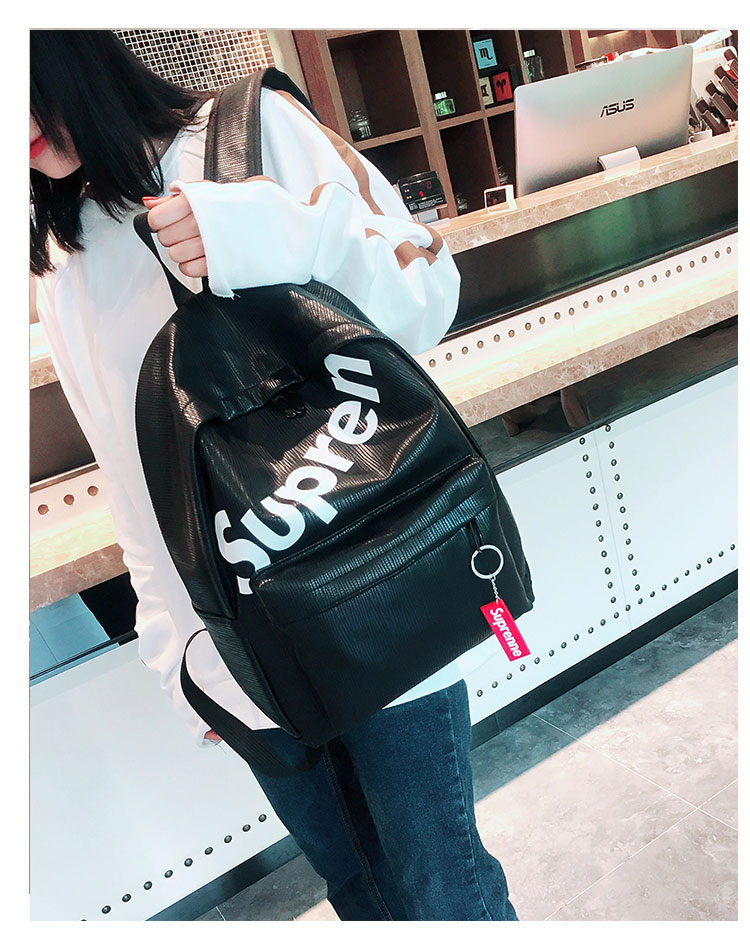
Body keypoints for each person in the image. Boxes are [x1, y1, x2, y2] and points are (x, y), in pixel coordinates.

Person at [31, 30, 519, 921]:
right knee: (358, 892)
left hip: (372, 584)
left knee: (442, 889)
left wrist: (271, 236)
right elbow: (130, 476)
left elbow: (427, 299)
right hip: (237, 649)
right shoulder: (66, 262)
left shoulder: (250, 134)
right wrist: (175, 646)